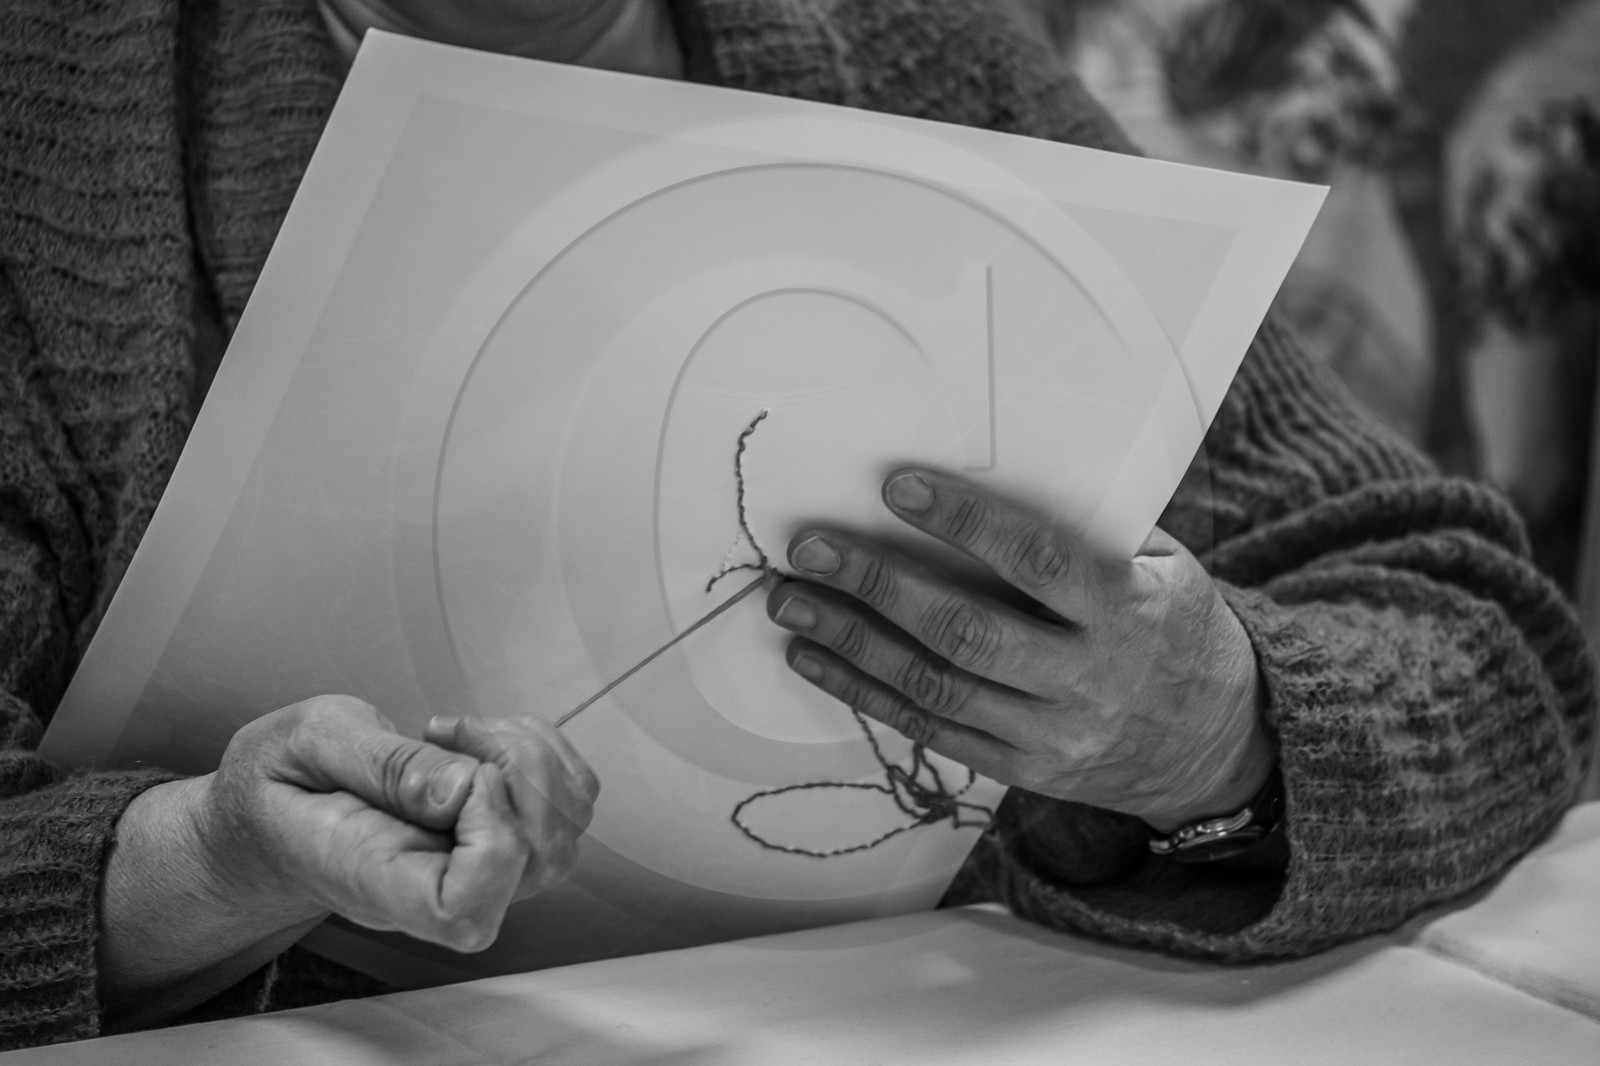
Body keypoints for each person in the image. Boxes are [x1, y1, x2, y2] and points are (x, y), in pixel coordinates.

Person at [0, 0, 1592, 1050]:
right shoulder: (55, 117)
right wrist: (206, 860)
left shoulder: (907, 50)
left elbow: (1490, 645)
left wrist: (1213, 725)